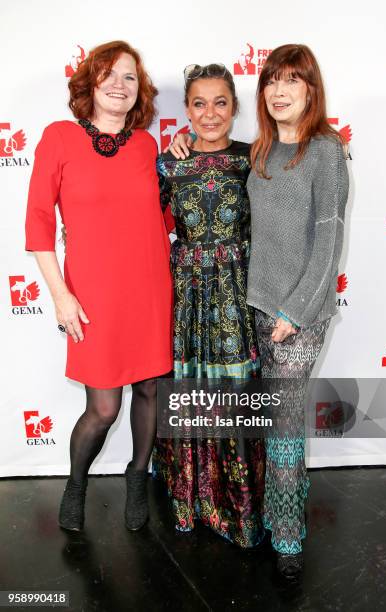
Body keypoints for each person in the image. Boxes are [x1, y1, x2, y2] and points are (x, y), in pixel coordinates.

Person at [169, 44, 349, 579]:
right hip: (250, 308)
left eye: (291, 81)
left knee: (286, 427)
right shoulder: (261, 150)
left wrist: (294, 312)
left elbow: (328, 239)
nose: (279, 90)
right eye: (271, 81)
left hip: (296, 319)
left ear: (310, 90)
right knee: (263, 425)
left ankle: (289, 541)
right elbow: (212, 163)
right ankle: (267, 518)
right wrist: (183, 140)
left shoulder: (326, 151)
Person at [25, 40, 173, 532]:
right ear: (89, 83)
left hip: (149, 287)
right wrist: (60, 295)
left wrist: (182, 164)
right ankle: (77, 483)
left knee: (149, 390)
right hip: (93, 295)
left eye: (129, 77)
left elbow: (161, 215)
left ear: (140, 91)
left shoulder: (147, 145)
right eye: (109, 74)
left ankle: (136, 479)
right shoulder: (59, 138)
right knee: (104, 407)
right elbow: (39, 223)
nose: (119, 84)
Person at [152, 64, 265, 548]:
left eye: (221, 102)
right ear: (187, 111)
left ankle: (236, 504)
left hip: (239, 292)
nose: (210, 113)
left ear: (235, 108)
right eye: (199, 103)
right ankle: (190, 501)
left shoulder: (254, 158)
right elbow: (137, 225)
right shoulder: (167, 163)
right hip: (187, 294)